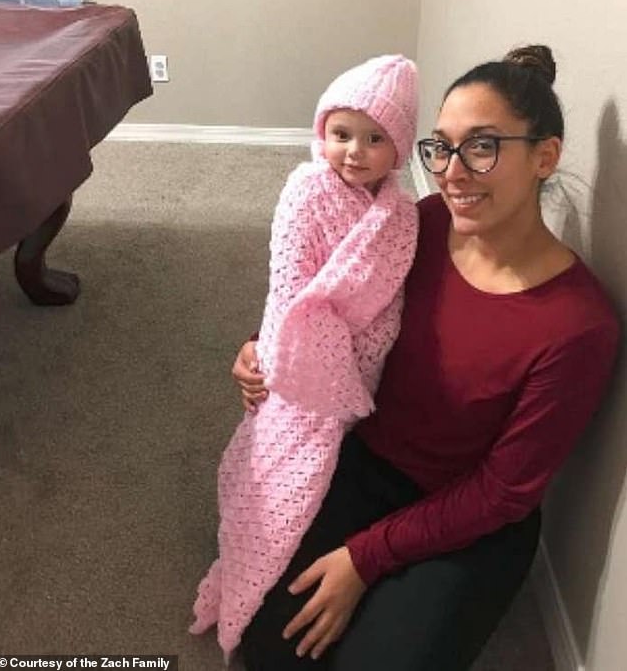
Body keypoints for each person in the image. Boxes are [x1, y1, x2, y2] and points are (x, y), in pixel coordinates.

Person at [233, 44, 621, 671]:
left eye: (483, 146)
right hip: (366, 459)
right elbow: (336, 296)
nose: (451, 173)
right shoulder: (423, 223)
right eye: (441, 147)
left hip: (470, 517)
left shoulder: (579, 326)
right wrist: (264, 345)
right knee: (268, 644)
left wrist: (365, 558)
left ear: (545, 157)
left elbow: (503, 492)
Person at [189, 55, 420, 659]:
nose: (354, 151)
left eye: (374, 139)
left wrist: (358, 355)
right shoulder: (305, 191)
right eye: (341, 134)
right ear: (322, 132)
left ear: (398, 148)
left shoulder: (401, 216)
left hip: (362, 363)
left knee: (335, 479)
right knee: (276, 468)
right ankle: (250, 553)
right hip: (300, 365)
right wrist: (287, 352)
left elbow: (386, 302)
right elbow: (290, 292)